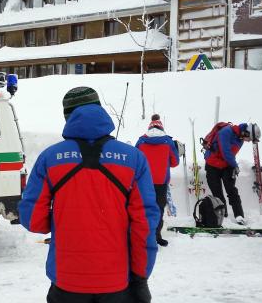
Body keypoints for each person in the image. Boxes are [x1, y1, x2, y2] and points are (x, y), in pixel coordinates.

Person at [18, 87, 160, 303]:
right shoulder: (134, 158)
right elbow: (145, 225)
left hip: (66, 281)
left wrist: (64, 218)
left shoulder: (49, 158)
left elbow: (32, 219)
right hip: (117, 284)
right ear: (100, 110)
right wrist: (140, 278)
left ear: (68, 116)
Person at [135, 114, 180, 247]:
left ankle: (142, 236)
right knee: (158, 209)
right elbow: (175, 162)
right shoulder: (168, 142)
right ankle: (157, 235)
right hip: (161, 182)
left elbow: (135, 160)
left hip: (144, 182)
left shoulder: (141, 141)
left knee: (143, 209)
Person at [204, 123, 261, 225]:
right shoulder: (226, 132)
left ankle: (239, 215)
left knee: (231, 190)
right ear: (246, 133)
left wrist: (233, 166)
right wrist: (235, 165)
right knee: (217, 193)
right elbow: (225, 151)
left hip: (227, 165)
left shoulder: (241, 139)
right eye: (249, 139)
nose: (248, 141)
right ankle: (222, 215)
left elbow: (231, 154)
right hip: (212, 164)